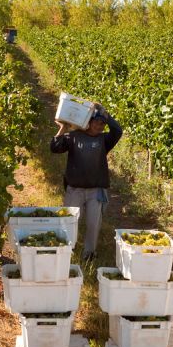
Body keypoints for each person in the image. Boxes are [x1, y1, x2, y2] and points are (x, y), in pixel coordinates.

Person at [50, 103, 122, 262]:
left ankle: (89, 254)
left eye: (103, 123)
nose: (100, 126)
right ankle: (65, 252)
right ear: (88, 121)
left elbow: (118, 131)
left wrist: (106, 113)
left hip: (95, 191)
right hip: (74, 190)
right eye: (97, 122)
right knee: (68, 222)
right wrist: (63, 128)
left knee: (93, 225)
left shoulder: (104, 140)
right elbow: (55, 147)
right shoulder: (74, 136)